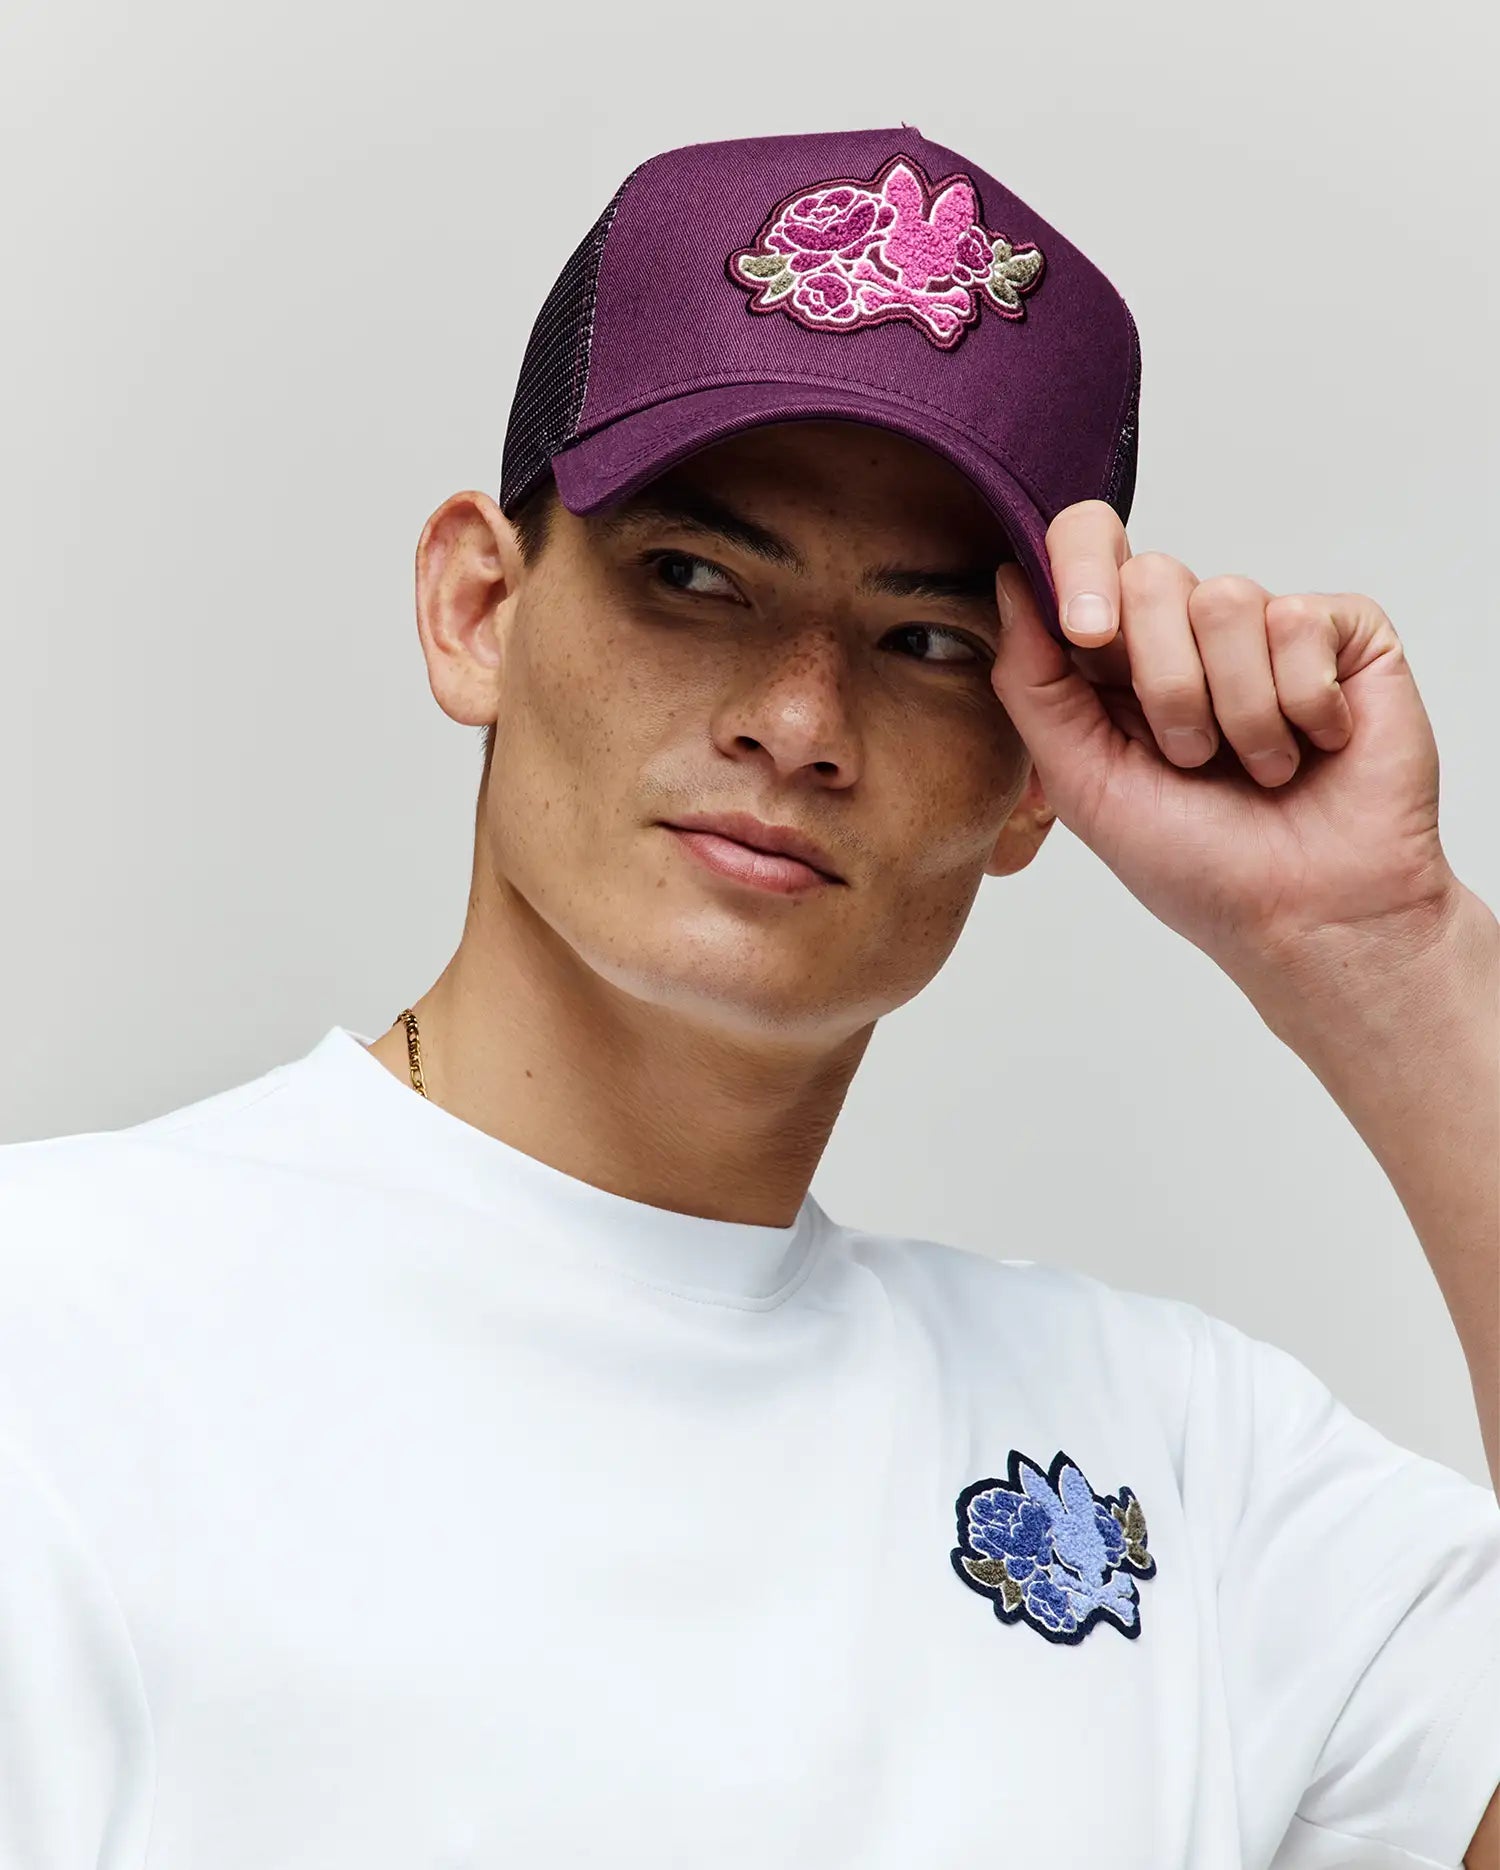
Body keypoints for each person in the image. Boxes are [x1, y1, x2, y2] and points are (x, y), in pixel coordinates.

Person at [1, 125, 1496, 1870]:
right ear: (478, 606)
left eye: (926, 641)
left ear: (1036, 777)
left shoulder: (1186, 1466)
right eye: (696, 579)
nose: (797, 720)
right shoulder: (61, 1337)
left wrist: (1392, 952)